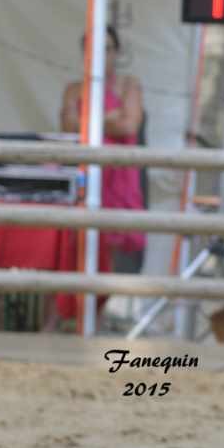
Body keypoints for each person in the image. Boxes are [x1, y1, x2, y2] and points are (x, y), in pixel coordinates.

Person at [60, 25, 146, 273]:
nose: (100, 55)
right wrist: (110, 117)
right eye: (92, 49)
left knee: (114, 254)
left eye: (106, 49)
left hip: (119, 180)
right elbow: (68, 127)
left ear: (117, 53)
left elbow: (129, 126)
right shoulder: (73, 89)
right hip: (85, 176)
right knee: (77, 250)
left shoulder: (129, 85)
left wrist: (86, 121)